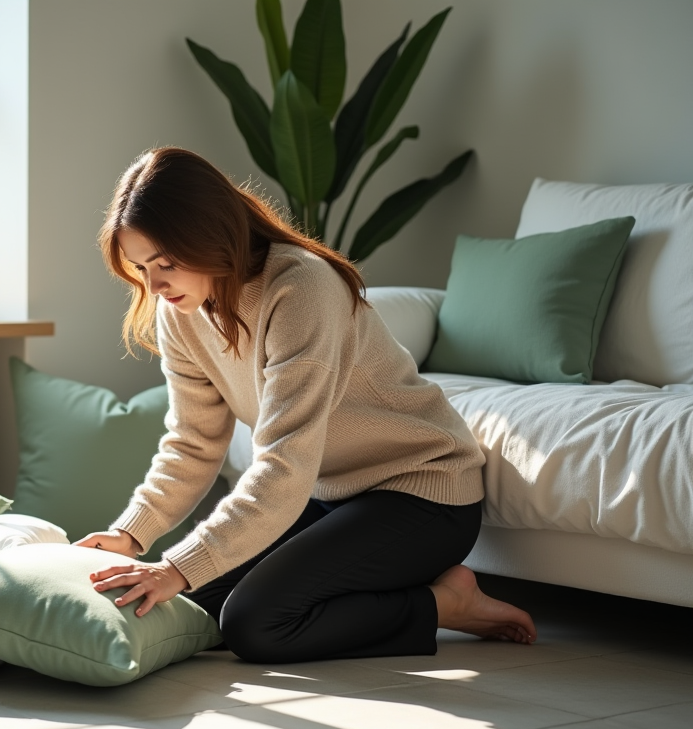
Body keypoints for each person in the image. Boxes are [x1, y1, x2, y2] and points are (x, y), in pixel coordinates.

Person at [74, 147, 536, 663]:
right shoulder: (178, 311)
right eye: (141, 267)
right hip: (326, 495)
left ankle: (443, 604)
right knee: (185, 607)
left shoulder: (301, 287)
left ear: (212, 235)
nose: (155, 286)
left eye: (167, 264)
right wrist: (131, 534)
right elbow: (193, 442)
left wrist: (177, 565)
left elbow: (284, 463)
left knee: (255, 623)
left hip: (421, 492)